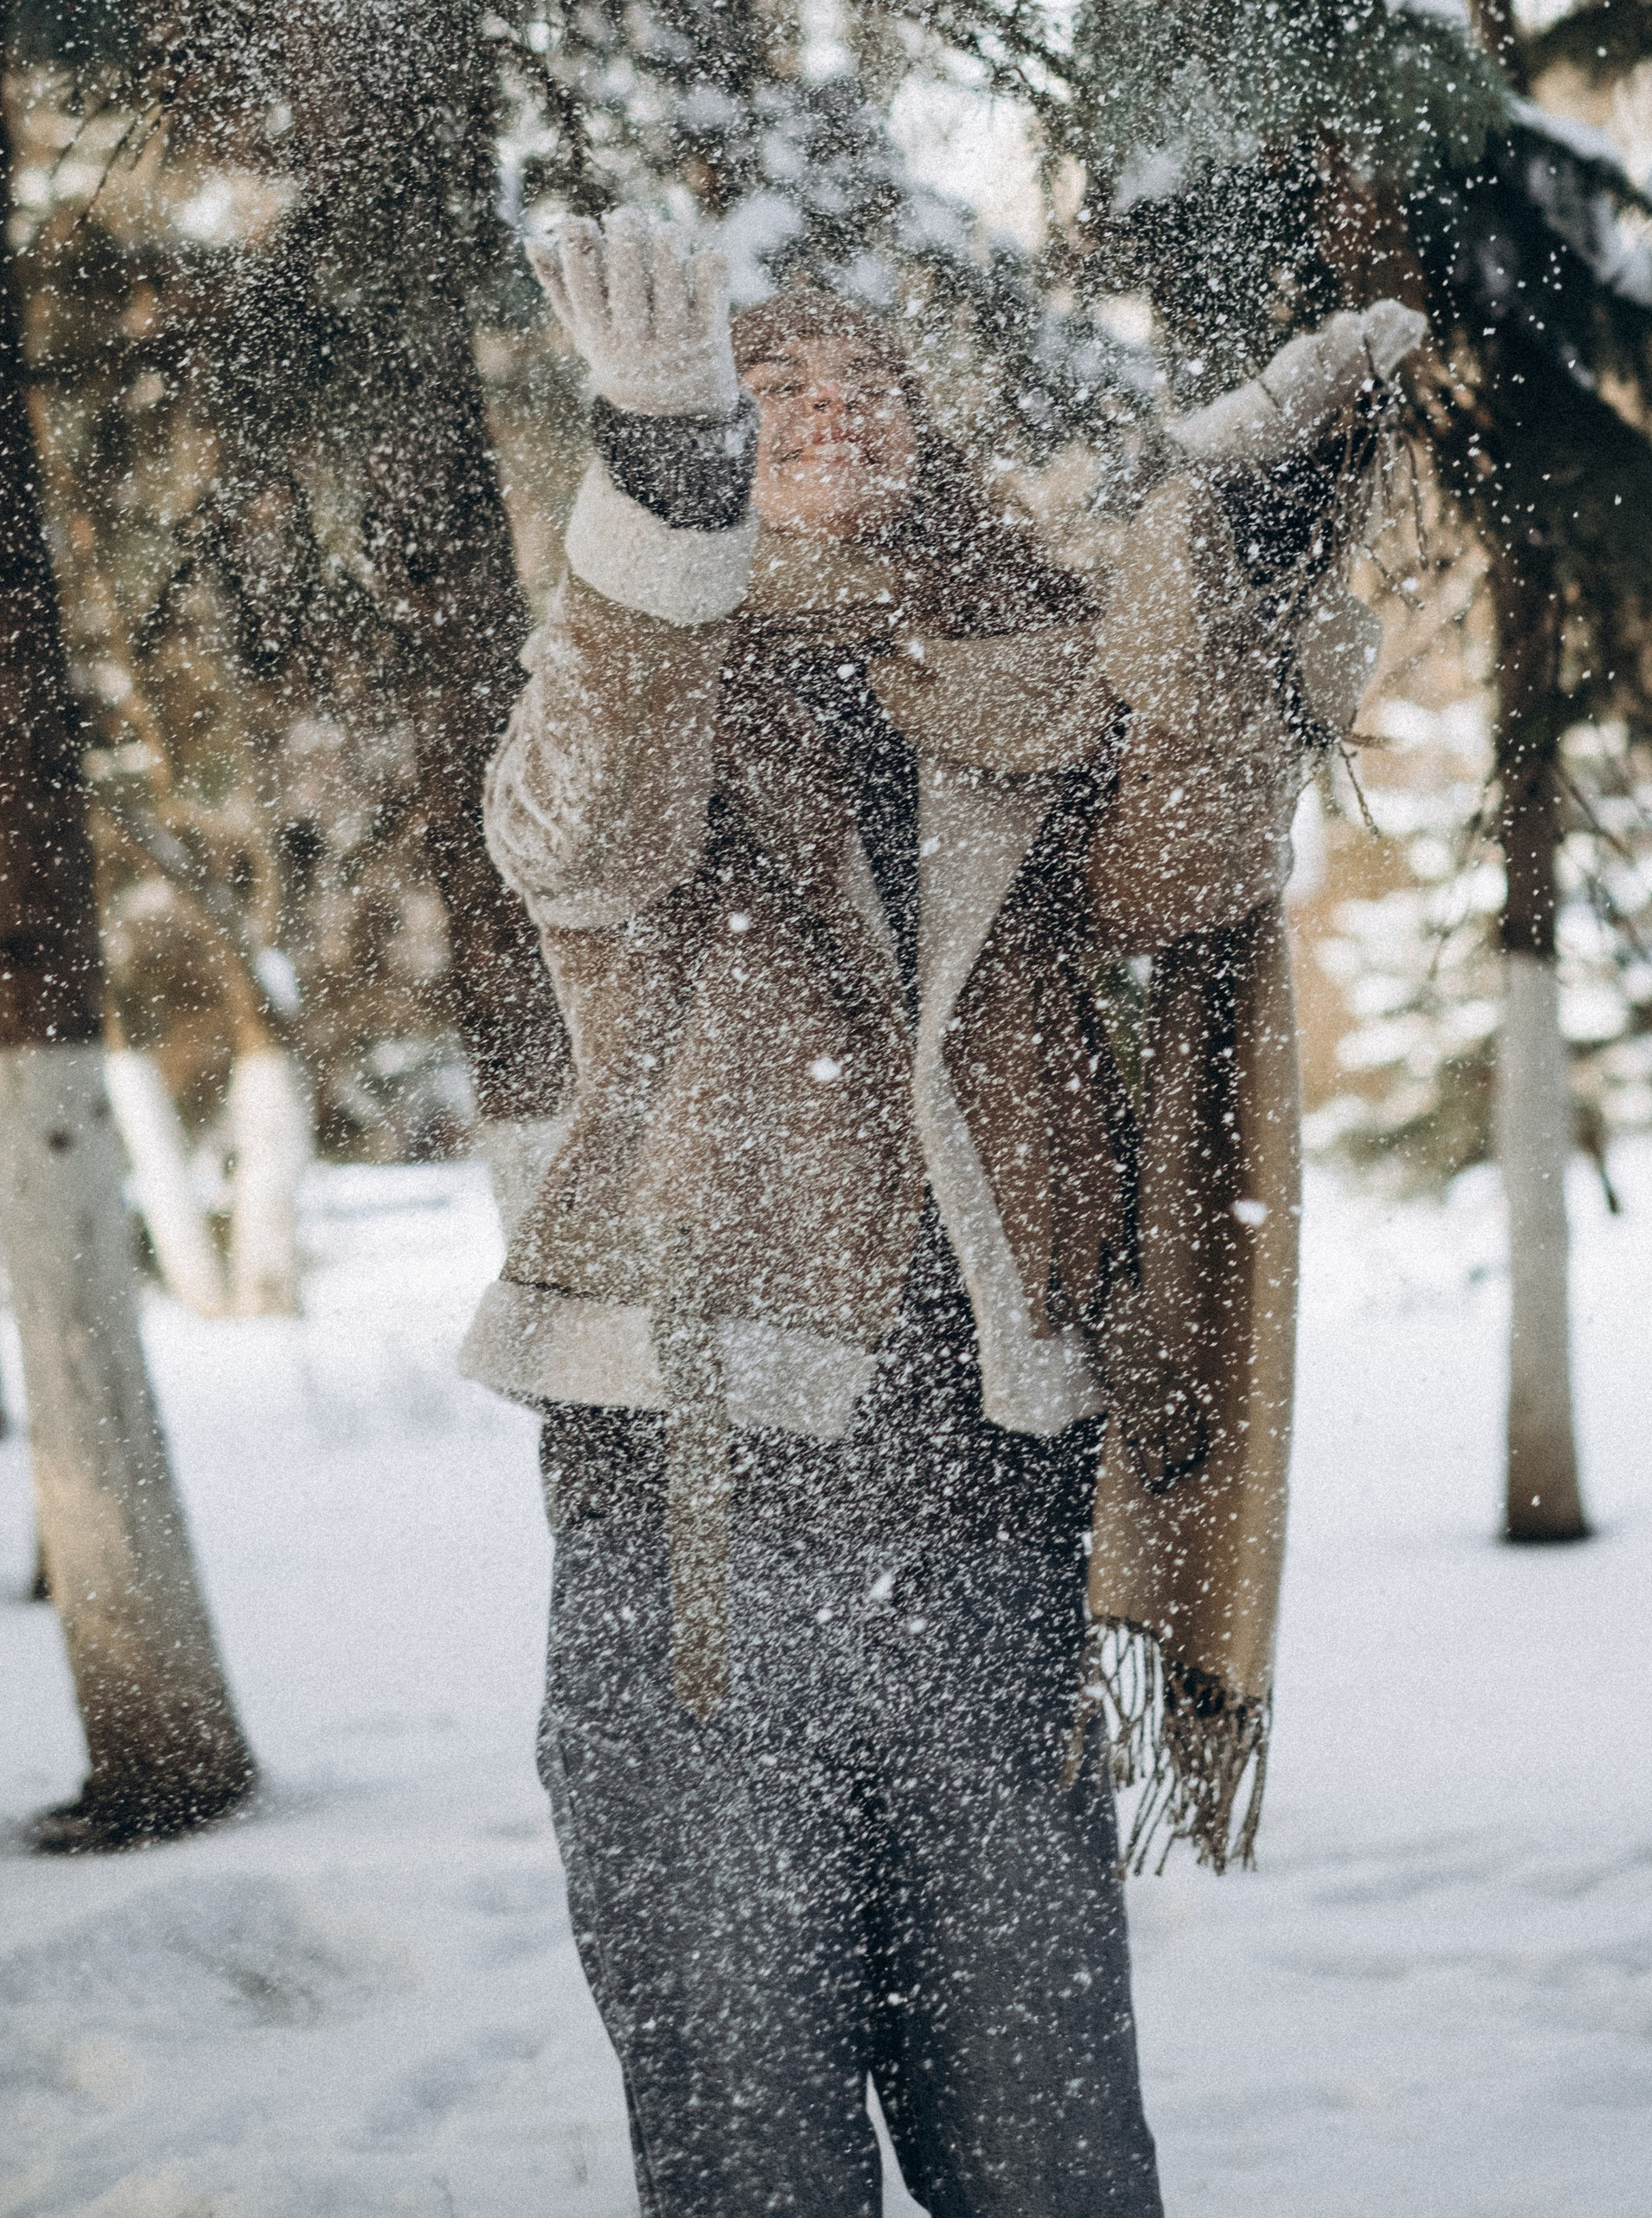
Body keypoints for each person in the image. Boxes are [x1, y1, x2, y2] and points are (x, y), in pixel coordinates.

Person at [461, 215, 1420, 2218]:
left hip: (995, 1493)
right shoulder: (639, 669)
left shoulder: (1020, 677)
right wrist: (659, 472)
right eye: (775, 389)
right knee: (752, 2130)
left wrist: (1213, 534)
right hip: (697, 1510)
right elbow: (578, 833)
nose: (836, 412)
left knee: (1049, 2137)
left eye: (868, 385)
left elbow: (1183, 872)